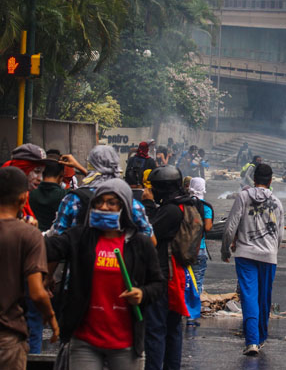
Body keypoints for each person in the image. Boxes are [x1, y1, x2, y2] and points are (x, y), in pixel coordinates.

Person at [45, 179, 164, 370]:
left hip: (126, 342)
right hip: (84, 339)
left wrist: (142, 293)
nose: (104, 207)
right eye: (98, 202)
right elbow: (50, 248)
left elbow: (158, 283)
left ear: (124, 206)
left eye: (111, 202)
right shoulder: (79, 237)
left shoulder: (140, 244)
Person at [221, 164, 284, 355]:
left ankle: (252, 342)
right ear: (271, 181)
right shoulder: (277, 202)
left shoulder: (243, 197)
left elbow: (230, 226)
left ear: (254, 179)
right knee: (264, 298)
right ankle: (261, 337)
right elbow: (280, 234)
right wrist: (273, 251)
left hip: (245, 254)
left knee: (249, 297)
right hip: (269, 256)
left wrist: (226, 250)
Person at [0, 167, 58, 370]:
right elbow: (36, 292)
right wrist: (51, 318)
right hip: (8, 336)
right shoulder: (29, 235)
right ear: (24, 198)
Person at [142, 166, 195, 370]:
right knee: (173, 329)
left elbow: (148, 232)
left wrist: (147, 204)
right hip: (176, 273)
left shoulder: (170, 210)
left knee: (156, 329)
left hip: (165, 274)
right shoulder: (184, 204)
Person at [50, 145, 155, 239]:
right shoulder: (127, 201)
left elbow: (57, 236)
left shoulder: (73, 199)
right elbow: (150, 239)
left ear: (91, 164)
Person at [187, 177, 213, 325]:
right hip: (200, 248)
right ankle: (192, 314)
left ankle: (182, 309)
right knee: (197, 282)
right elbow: (208, 227)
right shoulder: (205, 207)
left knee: (184, 281)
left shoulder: (184, 204)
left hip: (184, 248)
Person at [29, 159, 66, 232]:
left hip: (35, 235)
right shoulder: (66, 195)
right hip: (56, 239)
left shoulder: (30, 194)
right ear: (62, 174)